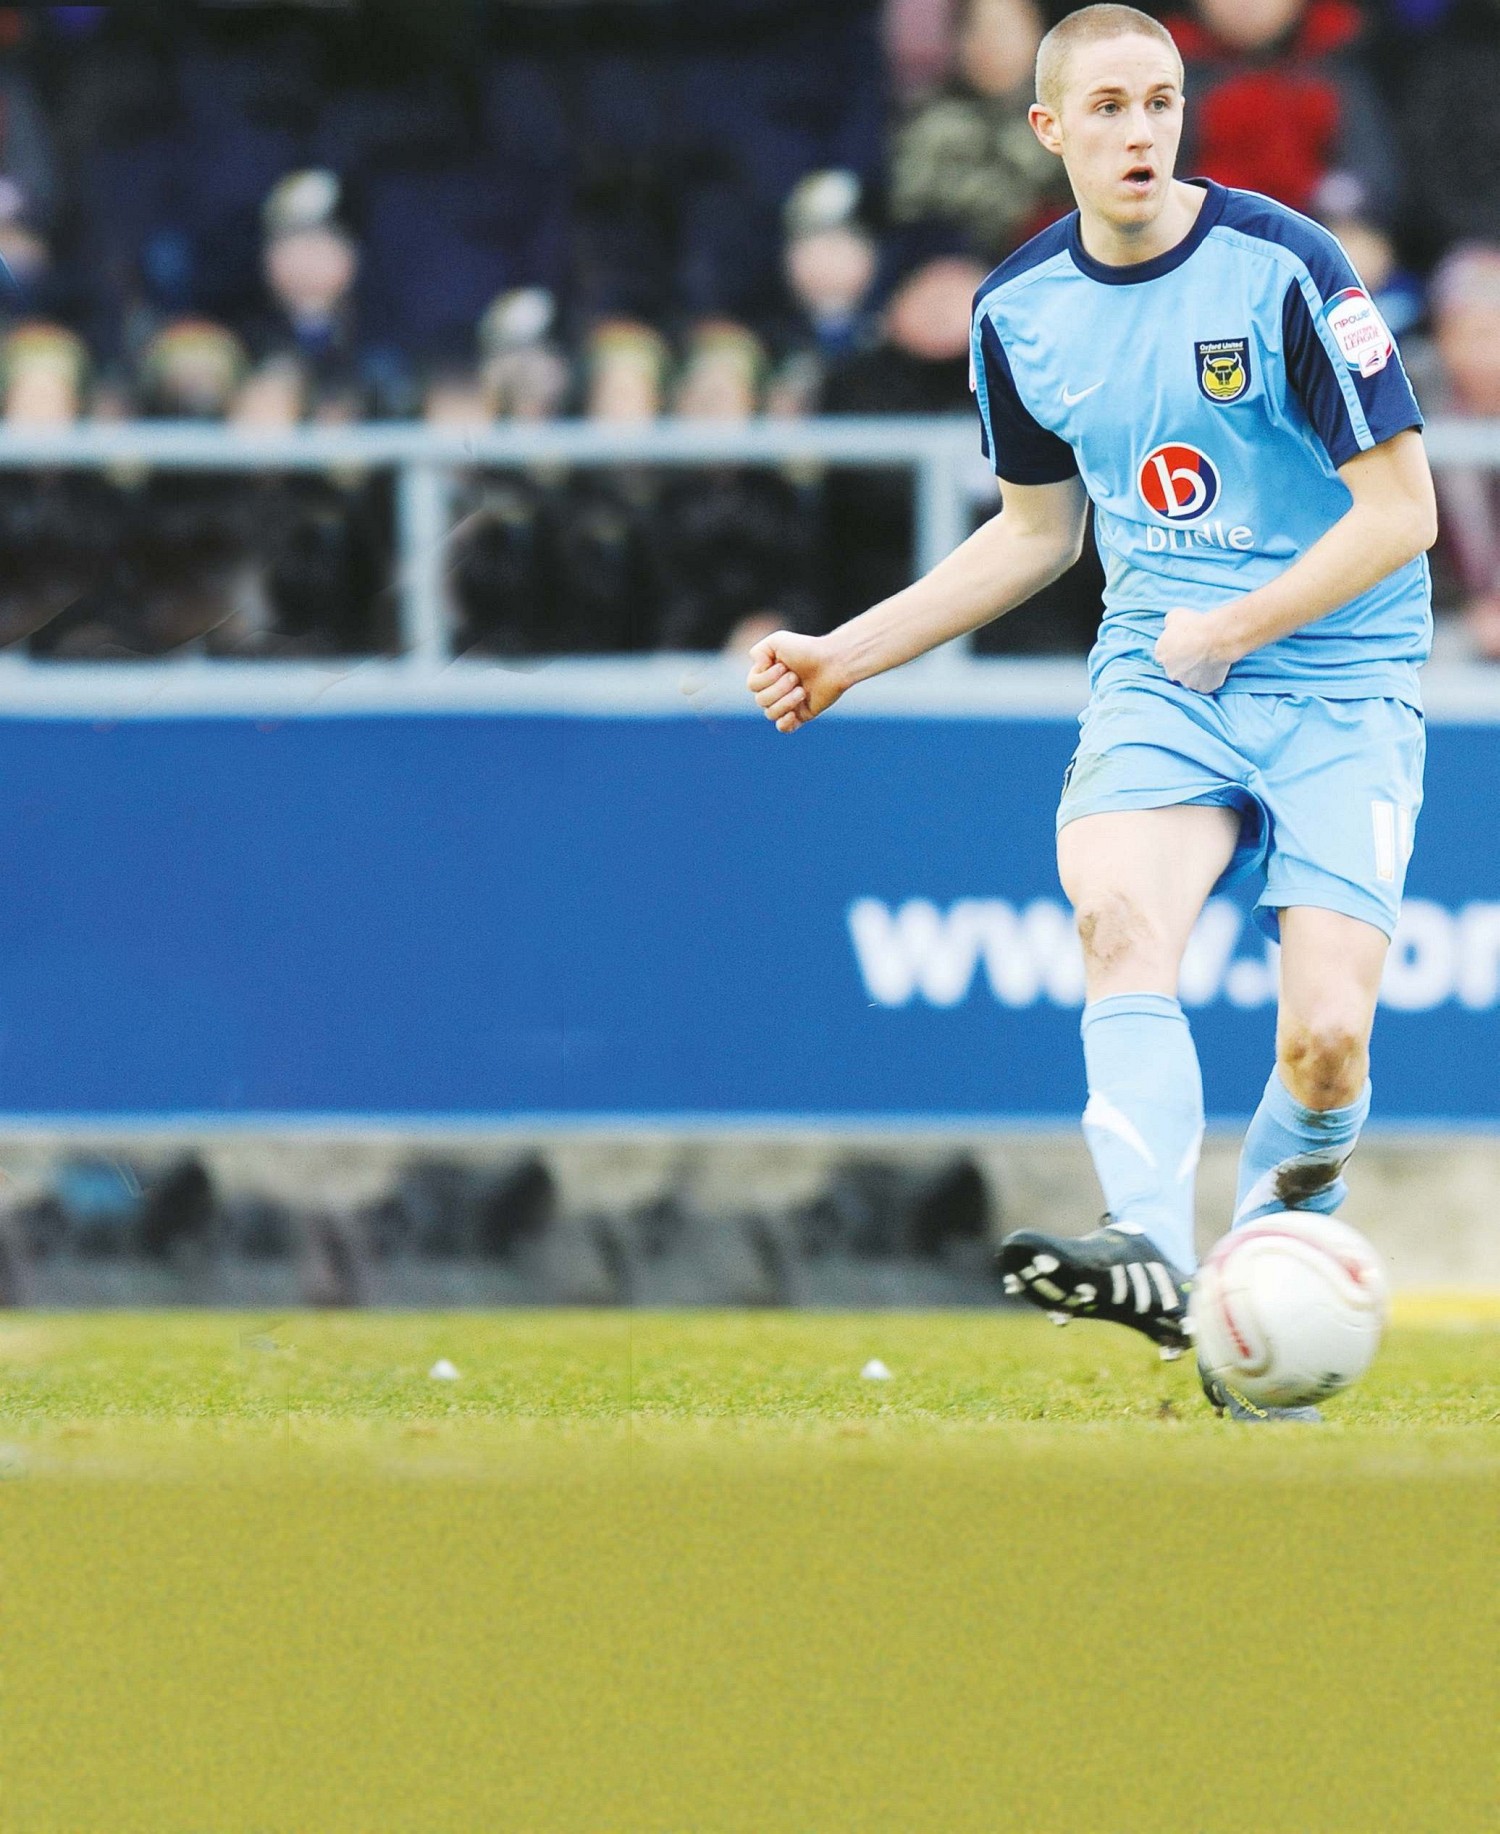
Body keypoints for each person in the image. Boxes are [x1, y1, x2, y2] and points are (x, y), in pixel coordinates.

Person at [746, 4, 1437, 1421]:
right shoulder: (1019, 312)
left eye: (1161, 102)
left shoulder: (1287, 267)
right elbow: (1034, 534)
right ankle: (1151, 1247)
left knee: (1325, 1042)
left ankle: (1263, 1288)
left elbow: (1402, 514)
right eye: (1108, 108)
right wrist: (845, 654)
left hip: (1338, 676)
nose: (1140, 132)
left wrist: (1239, 623)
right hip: (1164, 676)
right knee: (1117, 920)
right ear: (1049, 128)